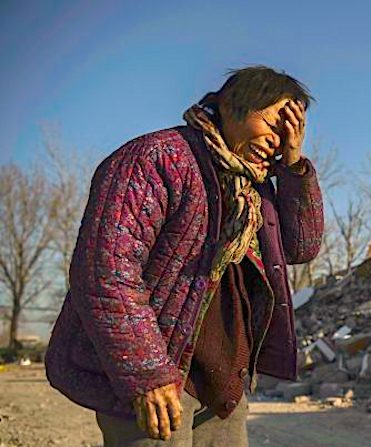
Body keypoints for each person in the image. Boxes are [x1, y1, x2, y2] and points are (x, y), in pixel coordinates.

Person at [45, 65, 324, 446]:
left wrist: (294, 167)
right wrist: (147, 371)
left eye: (290, 131)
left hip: (224, 388)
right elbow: (106, 269)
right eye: (273, 123)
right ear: (232, 106)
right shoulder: (157, 159)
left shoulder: (255, 190)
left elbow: (301, 247)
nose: (277, 141)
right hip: (160, 382)